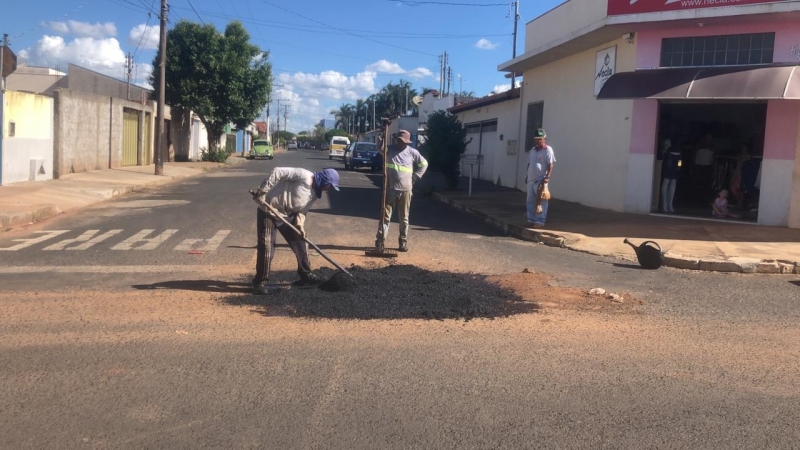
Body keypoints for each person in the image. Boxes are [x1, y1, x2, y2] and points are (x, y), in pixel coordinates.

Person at [252, 167, 340, 294]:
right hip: (269, 210)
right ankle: (260, 283)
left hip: (288, 215)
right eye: (330, 186)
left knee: (302, 242)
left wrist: (300, 226)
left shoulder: (315, 193)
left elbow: (302, 211)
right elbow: (278, 171)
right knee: (267, 247)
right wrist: (262, 191)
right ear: (326, 181)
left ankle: (306, 274)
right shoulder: (304, 175)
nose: (329, 189)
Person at [375, 130, 428, 252]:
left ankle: (403, 241)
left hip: (406, 190)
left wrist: (416, 176)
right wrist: (381, 137)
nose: (400, 143)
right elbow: (380, 148)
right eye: (399, 140)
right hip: (390, 190)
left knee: (404, 218)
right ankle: (380, 241)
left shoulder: (412, 152)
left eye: (403, 141)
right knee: (385, 217)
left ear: (407, 142)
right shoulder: (389, 149)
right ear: (396, 139)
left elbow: (424, 164)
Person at [525, 128, 555, 228]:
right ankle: (531, 219)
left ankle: (540, 221)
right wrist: (527, 175)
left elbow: (550, 164)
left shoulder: (548, 150)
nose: (538, 141)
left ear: (544, 139)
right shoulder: (533, 150)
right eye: (536, 139)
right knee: (530, 200)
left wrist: (547, 177)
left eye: (540, 139)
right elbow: (530, 164)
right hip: (530, 179)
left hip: (541, 179)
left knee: (541, 201)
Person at [661, 143, 682, 213]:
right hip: (671, 163)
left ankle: (669, 204)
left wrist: (678, 168)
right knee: (668, 182)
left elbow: (679, 163)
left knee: (671, 182)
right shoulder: (668, 154)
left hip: (673, 164)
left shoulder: (670, 154)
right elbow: (679, 163)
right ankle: (666, 204)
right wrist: (678, 167)